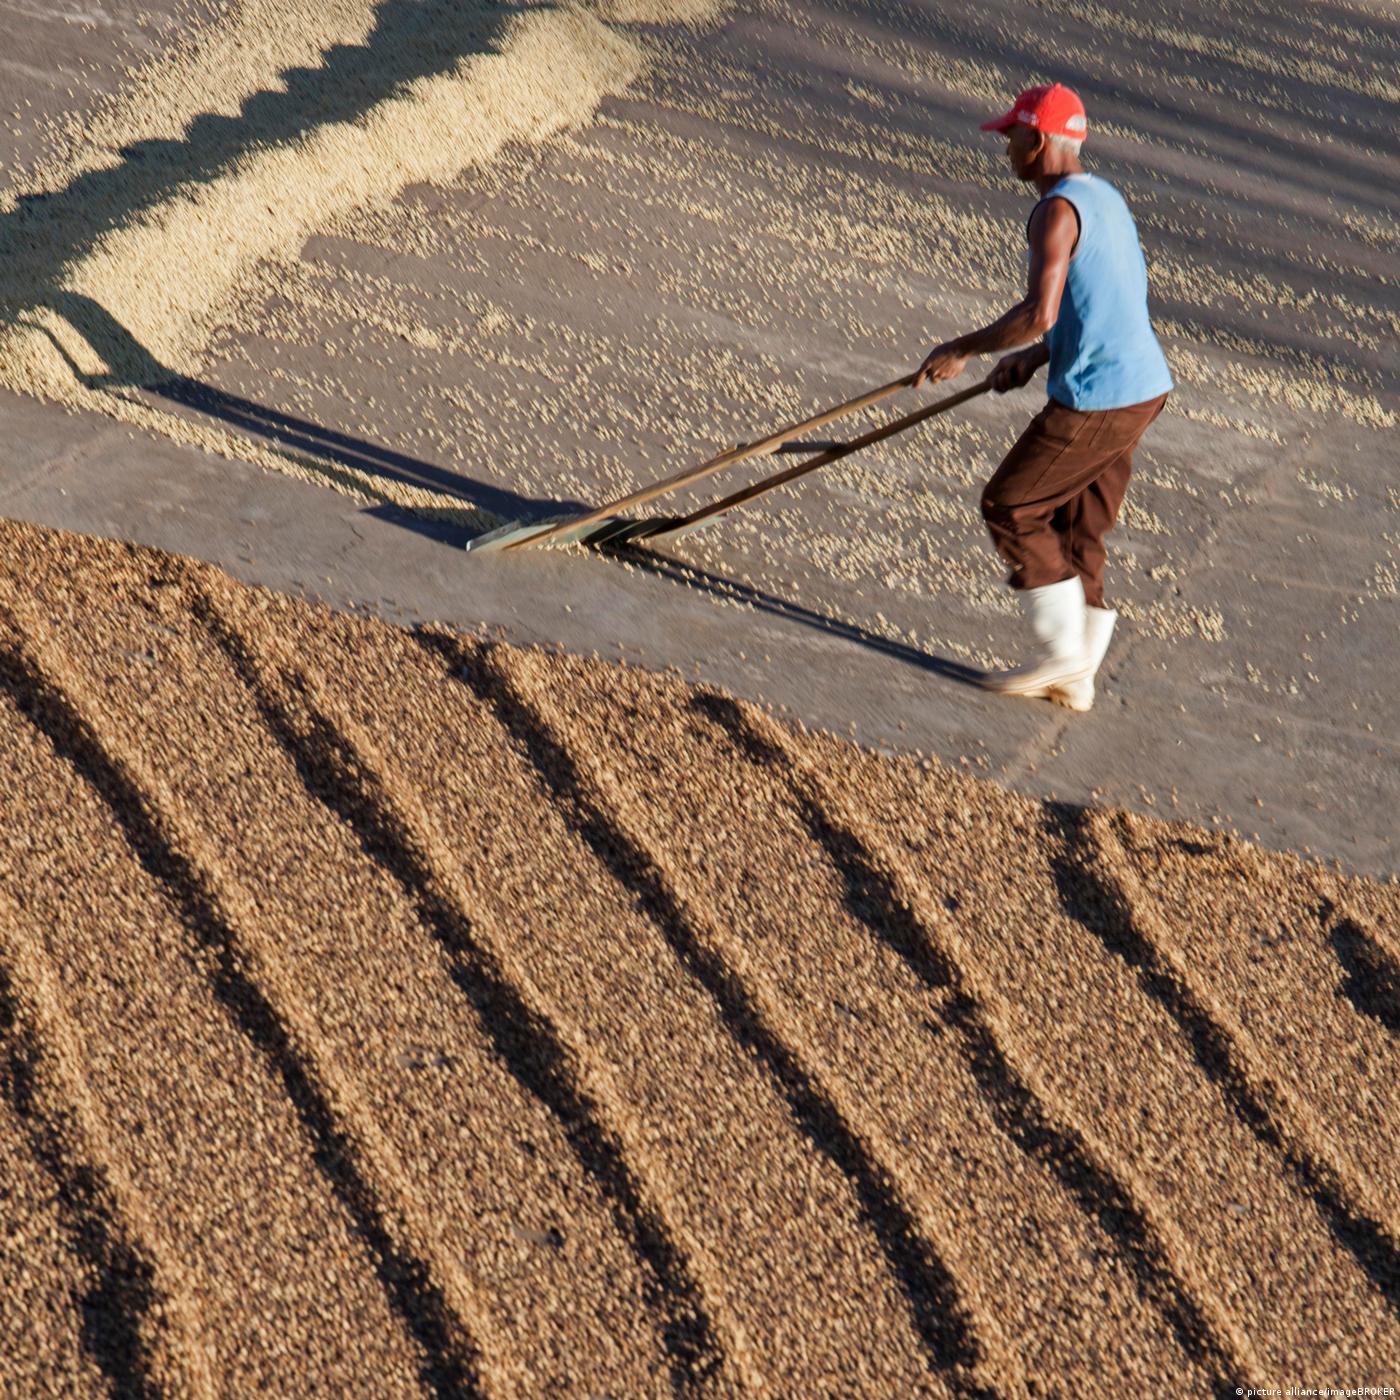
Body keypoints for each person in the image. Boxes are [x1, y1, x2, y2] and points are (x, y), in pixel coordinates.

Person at [914, 82, 1173, 711]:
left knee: (1012, 505)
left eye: (1013, 137)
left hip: (1100, 397)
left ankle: (1062, 654)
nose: (1007, 149)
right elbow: (1105, 304)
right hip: (1144, 387)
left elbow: (1039, 310)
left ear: (1040, 139)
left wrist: (966, 348)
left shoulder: (1054, 211)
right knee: (1081, 526)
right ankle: (1077, 679)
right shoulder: (1105, 197)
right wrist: (1033, 358)